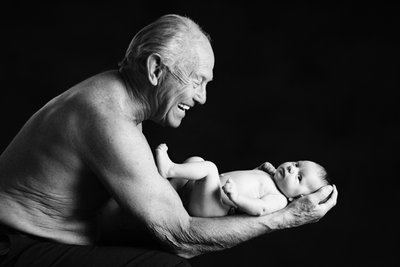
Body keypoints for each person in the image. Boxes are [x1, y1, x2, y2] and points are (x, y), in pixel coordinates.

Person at [0, 14, 337, 266]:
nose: (202, 98)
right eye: (197, 81)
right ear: (156, 70)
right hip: (13, 244)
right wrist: (286, 217)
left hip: (54, 235)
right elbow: (182, 238)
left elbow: (124, 212)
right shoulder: (107, 119)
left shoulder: (115, 98)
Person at [155, 143, 331, 217]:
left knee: (209, 168)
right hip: (205, 194)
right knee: (197, 161)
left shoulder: (279, 199)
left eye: (299, 177)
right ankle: (168, 187)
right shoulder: (268, 176)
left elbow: (259, 209)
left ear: (297, 198)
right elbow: (247, 178)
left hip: (214, 208)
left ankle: (169, 168)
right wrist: (259, 170)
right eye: (296, 163)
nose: (293, 169)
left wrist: (237, 198)